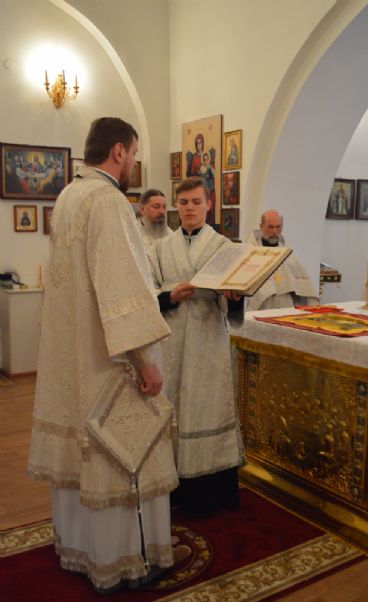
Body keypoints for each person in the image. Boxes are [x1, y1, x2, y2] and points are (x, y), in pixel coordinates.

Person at [28, 117, 178, 594]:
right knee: (123, 455)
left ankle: (81, 548)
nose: (133, 162)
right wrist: (146, 361)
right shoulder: (109, 201)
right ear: (117, 151)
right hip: (109, 361)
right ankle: (122, 559)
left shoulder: (69, 196)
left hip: (74, 356)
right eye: (133, 153)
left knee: (84, 454)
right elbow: (121, 288)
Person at [149, 176, 244, 518]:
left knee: (207, 406)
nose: (189, 208)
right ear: (177, 206)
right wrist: (169, 296)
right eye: (184, 202)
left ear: (209, 204)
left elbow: (233, 302)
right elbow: (148, 291)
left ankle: (209, 493)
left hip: (208, 339)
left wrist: (234, 297)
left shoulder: (224, 247)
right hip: (172, 340)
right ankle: (173, 489)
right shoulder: (160, 248)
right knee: (173, 406)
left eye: (196, 202)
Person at [247, 209, 318, 310]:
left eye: (278, 227)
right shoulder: (250, 252)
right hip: (262, 305)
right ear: (261, 227)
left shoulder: (288, 253)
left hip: (286, 303)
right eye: (270, 227)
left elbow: (302, 282)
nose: (274, 232)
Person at [138, 188, 172, 253]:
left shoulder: (170, 234)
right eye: (156, 207)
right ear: (142, 209)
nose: (162, 211)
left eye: (164, 207)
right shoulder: (133, 232)